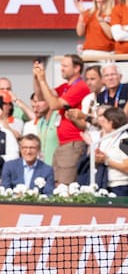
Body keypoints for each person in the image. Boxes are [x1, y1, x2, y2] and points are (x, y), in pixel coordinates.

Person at [33, 54, 91, 185]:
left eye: (65, 66)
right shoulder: (65, 87)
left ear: (77, 68)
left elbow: (53, 105)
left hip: (73, 142)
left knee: (64, 186)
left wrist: (43, 80)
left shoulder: (80, 87)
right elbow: (41, 95)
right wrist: (37, 78)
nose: (61, 69)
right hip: (63, 143)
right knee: (56, 183)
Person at [94, 107, 128, 196]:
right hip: (105, 184)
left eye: (104, 121)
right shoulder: (106, 139)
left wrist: (106, 160)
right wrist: (98, 158)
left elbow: (126, 167)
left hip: (121, 186)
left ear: (111, 122)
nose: (102, 123)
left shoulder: (125, 140)